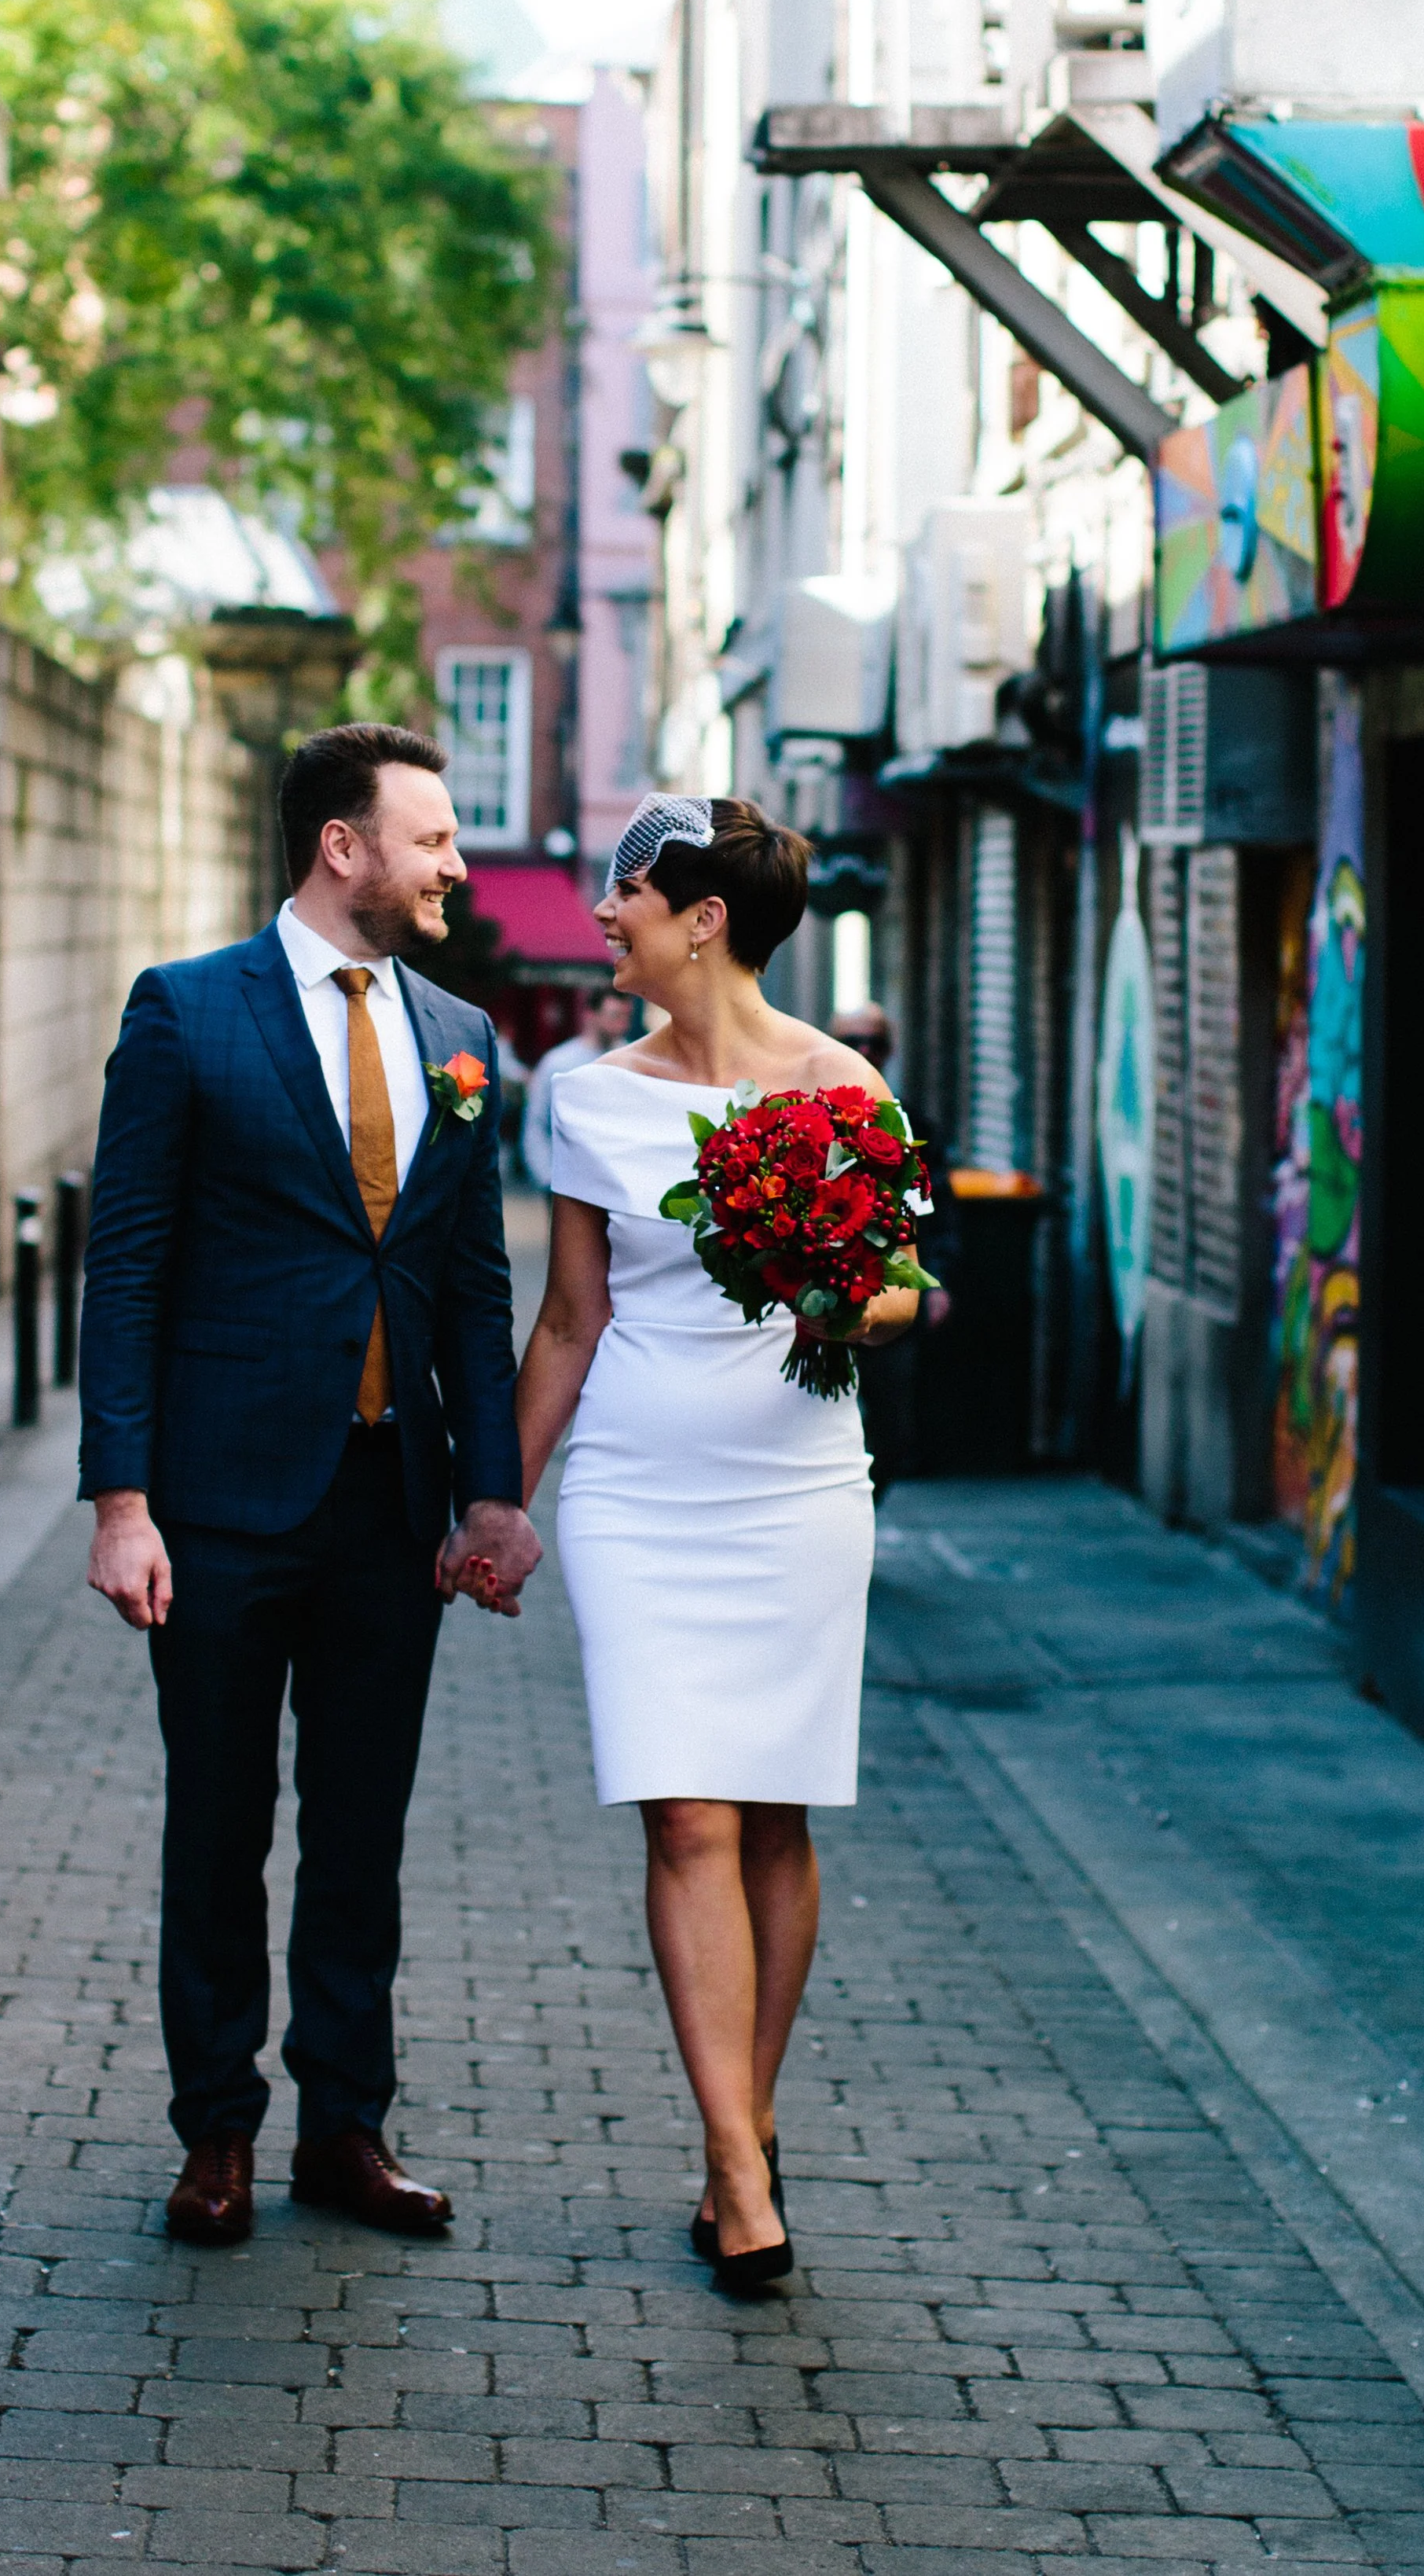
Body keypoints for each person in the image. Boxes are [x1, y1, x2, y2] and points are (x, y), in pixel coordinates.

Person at [79, 723, 543, 2251]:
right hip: (215, 1502)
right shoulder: (186, 1013)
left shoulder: (461, 1034)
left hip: (384, 1504)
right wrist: (122, 1502)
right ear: (340, 846)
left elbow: (472, 1288)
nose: (457, 868)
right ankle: (214, 2130)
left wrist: (490, 1494)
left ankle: (345, 2126)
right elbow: (127, 1265)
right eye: (433, 840)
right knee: (216, 1825)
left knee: (362, 1832)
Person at [514, 795, 919, 2295]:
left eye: (627, 891)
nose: (602, 912)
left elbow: (900, 1292)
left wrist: (835, 1296)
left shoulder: (843, 1087)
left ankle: (737, 2127)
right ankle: (741, 2170)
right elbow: (570, 1315)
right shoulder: (588, 1096)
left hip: (797, 1485)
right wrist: (501, 1500)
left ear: (705, 919)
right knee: (683, 1814)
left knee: (776, 1816)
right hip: (635, 1484)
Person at [831, 1004, 958, 1496]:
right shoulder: (806, 1115)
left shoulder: (912, 1122)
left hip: (892, 1290)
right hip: (821, 1285)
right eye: (853, 1043)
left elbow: (939, 1207)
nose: (864, 1054)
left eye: (874, 1044)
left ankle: (866, 1507)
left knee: (888, 1422)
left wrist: (940, 1279)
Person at [522, 984, 634, 1189]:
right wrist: (547, 1179)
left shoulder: (634, 1061)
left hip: (617, 1184)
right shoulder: (557, 1063)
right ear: (591, 1014)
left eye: (626, 1017)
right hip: (566, 1183)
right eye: (615, 1015)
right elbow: (536, 1123)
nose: (621, 1024)